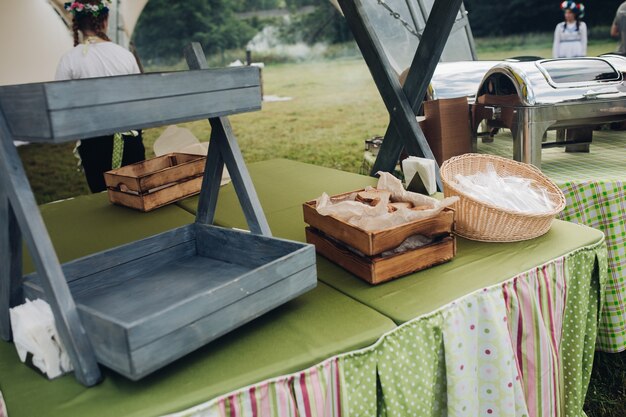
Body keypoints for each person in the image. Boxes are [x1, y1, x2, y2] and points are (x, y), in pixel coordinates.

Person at [56, 0, 145, 193]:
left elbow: (62, 104)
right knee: (137, 195)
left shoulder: (70, 60)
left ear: (77, 23)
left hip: (93, 143)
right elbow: (139, 98)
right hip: (131, 140)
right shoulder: (124, 55)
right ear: (105, 21)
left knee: (102, 198)